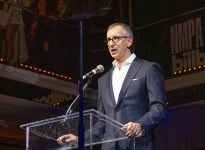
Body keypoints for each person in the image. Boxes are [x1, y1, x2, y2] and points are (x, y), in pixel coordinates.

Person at [57, 22, 168, 150]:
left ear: (129, 41)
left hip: (137, 144)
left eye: (116, 38)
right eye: (109, 40)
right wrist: (80, 139)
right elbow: (101, 123)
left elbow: (159, 108)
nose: (111, 43)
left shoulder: (148, 69)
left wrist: (140, 124)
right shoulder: (103, 80)